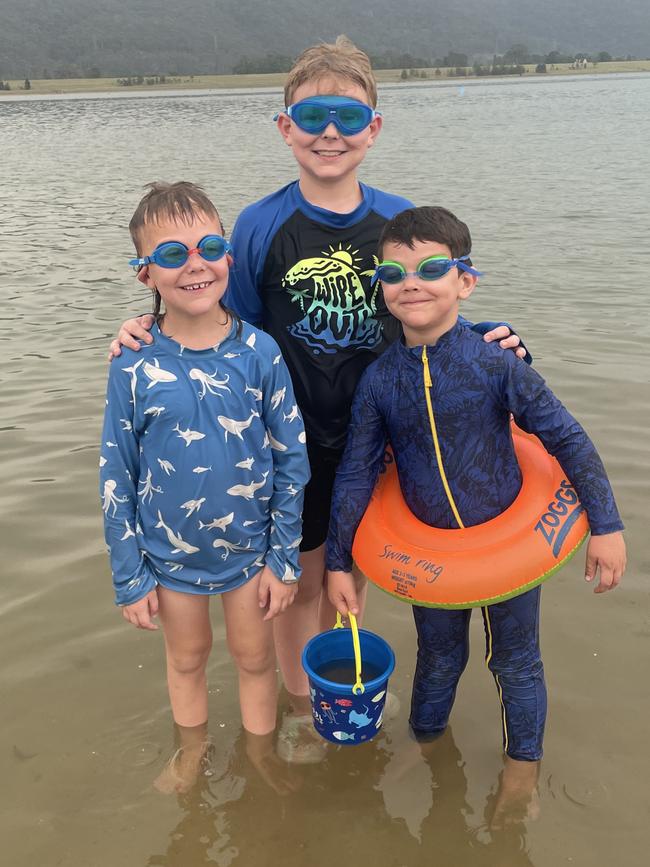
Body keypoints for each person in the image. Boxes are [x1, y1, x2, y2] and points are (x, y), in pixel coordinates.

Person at [107, 37, 526, 762]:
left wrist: (492, 334)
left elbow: (432, 301)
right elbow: (215, 322)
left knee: (348, 570)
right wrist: (143, 323)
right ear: (285, 127)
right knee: (293, 579)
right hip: (289, 443)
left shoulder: (398, 222)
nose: (329, 130)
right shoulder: (259, 227)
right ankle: (304, 703)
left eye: (347, 114)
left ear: (374, 127)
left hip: (379, 437)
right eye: (311, 114)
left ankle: (331, 693)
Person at [325, 205, 626, 801]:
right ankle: (426, 742)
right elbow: (358, 472)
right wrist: (340, 560)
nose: (411, 282)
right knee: (436, 660)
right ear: (380, 287)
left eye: (431, 267)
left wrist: (606, 524)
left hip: (509, 546)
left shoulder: (495, 362)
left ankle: (522, 769)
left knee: (516, 662)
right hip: (430, 556)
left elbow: (564, 436)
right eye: (392, 272)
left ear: (465, 280)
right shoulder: (381, 381)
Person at [100, 181, 310, 793]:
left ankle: (260, 751)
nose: (194, 264)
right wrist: (129, 573)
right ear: (146, 275)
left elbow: (291, 458)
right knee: (186, 660)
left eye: (208, 247)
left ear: (229, 258)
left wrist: (283, 557)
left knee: (256, 660)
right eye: (171, 254)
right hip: (169, 559)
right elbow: (117, 469)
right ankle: (192, 752)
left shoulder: (260, 353)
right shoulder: (133, 362)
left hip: (249, 554)